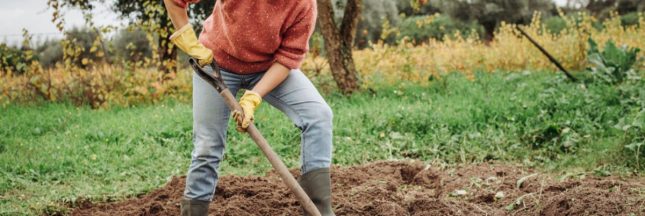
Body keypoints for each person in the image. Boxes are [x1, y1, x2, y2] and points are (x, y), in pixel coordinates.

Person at [162, 0, 334, 215]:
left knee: (318, 115)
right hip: (215, 62)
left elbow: (289, 57)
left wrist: (254, 96)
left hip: (268, 68)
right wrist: (189, 40)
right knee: (208, 144)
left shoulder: (304, 5)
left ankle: (318, 210)